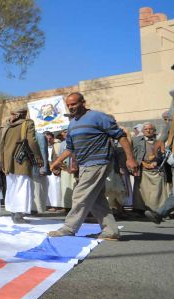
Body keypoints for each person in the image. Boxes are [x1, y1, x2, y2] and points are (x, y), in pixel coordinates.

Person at [49, 92, 138, 239]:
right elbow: (70, 148)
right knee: (96, 198)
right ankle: (111, 231)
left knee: (79, 195)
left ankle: (69, 228)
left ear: (83, 102)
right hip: (84, 165)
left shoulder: (98, 117)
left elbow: (120, 135)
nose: (71, 107)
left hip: (99, 162)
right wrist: (57, 161)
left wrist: (130, 158)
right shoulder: (72, 124)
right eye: (69, 105)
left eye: (74, 104)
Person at [0, 107, 43, 223]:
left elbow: (1, 147)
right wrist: (38, 158)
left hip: (7, 162)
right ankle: (18, 215)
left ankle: (14, 213)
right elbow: (32, 141)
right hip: (22, 161)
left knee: (12, 187)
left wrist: (3, 163)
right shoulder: (27, 123)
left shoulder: (4, 127)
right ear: (23, 115)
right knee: (22, 186)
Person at [132, 122, 169, 213]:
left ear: (154, 131)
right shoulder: (136, 140)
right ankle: (140, 209)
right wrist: (140, 164)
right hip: (142, 169)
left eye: (150, 129)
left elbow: (164, 153)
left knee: (157, 191)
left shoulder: (160, 141)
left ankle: (157, 210)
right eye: (146, 129)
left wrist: (157, 161)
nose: (148, 131)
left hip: (157, 170)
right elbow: (132, 154)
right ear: (142, 131)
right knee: (141, 190)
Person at [44, 131, 64, 211]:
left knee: (56, 187)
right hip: (46, 170)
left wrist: (58, 168)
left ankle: (56, 205)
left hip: (55, 170)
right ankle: (48, 204)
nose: (48, 140)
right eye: (47, 138)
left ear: (53, 138)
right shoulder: (43, 147)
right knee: (48, 187)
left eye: (50, 138)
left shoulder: (57, 146)